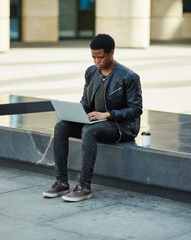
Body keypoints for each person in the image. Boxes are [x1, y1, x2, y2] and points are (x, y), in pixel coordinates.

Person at [43, 34, 143, 202]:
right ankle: (61, 182)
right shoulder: (90, 72)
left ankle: (84, 186)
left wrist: (108, 114)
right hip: (98, 122)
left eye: (101, 57)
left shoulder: (128, 77)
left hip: (122, 126)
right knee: (61, 127)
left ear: (112, 52)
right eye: (93, 57)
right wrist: (76, 112)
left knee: (89, 131)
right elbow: (86, 101)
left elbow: (136, 109)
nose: (97, 61)